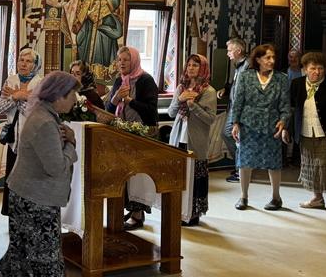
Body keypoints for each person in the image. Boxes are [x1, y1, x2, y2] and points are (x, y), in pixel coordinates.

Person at [0, 71, 79, 277]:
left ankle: (7, 276)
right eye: (72, 94)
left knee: (23, 244)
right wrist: (72, 144)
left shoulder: (43, 113)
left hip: (25, 193)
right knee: (44, 251)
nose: (75, 99)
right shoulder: (45, 122)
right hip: (36, 198)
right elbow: (55, 167)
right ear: (59, 96)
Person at [230, 44, 290, 211]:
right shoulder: (246, 76)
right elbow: (238, 101)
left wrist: (283, 120)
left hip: (272, 125)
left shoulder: (281, 78)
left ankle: (276, 197)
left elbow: (285, 104)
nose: (272, 61)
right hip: (248, 124)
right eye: (267, 57)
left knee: (274, 162)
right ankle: (243, 196)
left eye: (273, 57)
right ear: (258, 59)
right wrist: (235, 123)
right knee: (245, 161)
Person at [287, 52, 326, 214]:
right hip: (306, 132)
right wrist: (286, 128)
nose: (317, 72)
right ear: (305, 69)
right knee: (311, 167)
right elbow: (291, 109)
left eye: (320, 68)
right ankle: (317, 199)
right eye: (312, 68)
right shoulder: (297, 84)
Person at [106, 46, 159, 229]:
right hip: (122, 133)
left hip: (142, 134)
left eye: (126, 60)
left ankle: (138, 213)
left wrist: (130, 101)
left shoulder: (146, 80)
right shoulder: (119, 80)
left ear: (134, 61)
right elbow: (109, 110)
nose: (121, 63)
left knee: (138, 175)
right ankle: (129, 208)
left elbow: (151, 111)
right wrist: (115, 99)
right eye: (119, 59)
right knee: (125, 175)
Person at [167, 54, 217, 226]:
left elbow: (210, 119)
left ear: (203, 68)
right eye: (189, 65)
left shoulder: (209, 91)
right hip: (178, 137)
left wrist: (193, 106)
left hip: (196, 140)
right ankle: (179, 211)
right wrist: (180, 99)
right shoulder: (181, 87)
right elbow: (171, 113)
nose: (191, 68)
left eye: (195, 65)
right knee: (179, 176)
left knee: (195, 178)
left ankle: (194, 214)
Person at [0, 48, 43, 215]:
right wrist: (17, 96)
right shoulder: (11, 80)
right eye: (21, 60)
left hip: (32, 142)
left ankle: (28, 215)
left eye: (28, 61)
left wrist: (18, 96)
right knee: (13, 179)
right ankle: (13, 214)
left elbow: (36, 113)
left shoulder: (40, 84)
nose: (23, 64)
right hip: (13, 141)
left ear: (35, 65)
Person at [218, 38, 248, 182]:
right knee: (230, 135)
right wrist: (226, 89)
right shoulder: (238, 65)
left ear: (238, 51)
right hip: (233, 106)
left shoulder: (247, 66)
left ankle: (241, 168)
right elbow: (236, 85)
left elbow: (245, 90)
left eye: (230, 50)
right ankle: (240, 167)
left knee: (231, 135)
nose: (227, 53)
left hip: (240, 108)